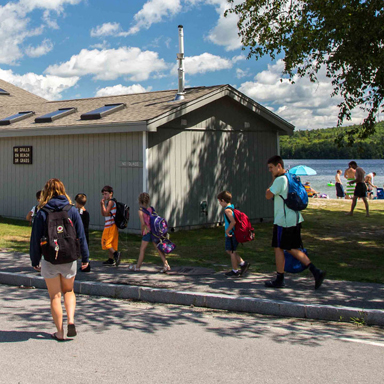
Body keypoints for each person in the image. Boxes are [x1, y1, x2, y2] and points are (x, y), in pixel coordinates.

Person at [29, 178, 89, 341]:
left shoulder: (42, 211)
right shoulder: (72, 210)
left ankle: (60, 332)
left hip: (49, 258)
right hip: (69, 257)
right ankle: (71, 320)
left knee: (55, 296)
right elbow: (81, 235)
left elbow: (35, 238)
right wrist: (85, 257)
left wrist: (35, 260)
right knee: (69, 291)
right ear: (63, 191)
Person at [265, 155, 326, 289]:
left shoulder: (280, 180)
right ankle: (315, 271)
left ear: (279, 166)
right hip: (295, 218)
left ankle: (281, 278)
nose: (270, 170)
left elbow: (268, 195)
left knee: (281, 248)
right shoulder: (290, 177)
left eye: (271, 168)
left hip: (284, 221)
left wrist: (272, 181)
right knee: (289, 247)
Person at [129, 192, 171, 273]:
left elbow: (143, 224)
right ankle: (166, 264)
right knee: (158, 248)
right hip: (154, 232)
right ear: (148, 201)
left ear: (139, 201)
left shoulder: (140, 211)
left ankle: (137, 266)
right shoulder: (151, 209)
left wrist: (142, 232)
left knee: (142, 249)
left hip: (147, 232)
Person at [217, 191, 251, 277]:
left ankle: (235, 270)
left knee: (231, 251)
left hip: (231, 234)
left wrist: (227, 231)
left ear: (223, 200)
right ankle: (243, 264)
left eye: (220, 201)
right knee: (229, 250)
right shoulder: (231, 208)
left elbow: (233, 222)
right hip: (233, 234)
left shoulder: (227, 210)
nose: (220, 203)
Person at [100, 186, 121, 266]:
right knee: (112, 243)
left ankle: (116, 254)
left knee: (105, 242)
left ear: (111, 193)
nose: (104, 196)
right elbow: (103, 214)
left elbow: (106, 212)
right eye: (103, 194)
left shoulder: (111, 202)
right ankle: (110, 259)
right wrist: (102, 205)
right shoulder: (109, 202)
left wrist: (103, 205)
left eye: (106, 194)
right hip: (112, 225)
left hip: (110, 226)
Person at [75, 193, 91, 272]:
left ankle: (86, 265)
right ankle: (83, 265)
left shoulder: (84, 213)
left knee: (84, 249)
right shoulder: (79, 212)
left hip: (83, 234)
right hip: (83, 233)